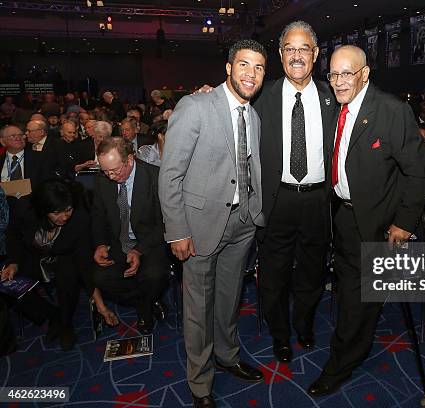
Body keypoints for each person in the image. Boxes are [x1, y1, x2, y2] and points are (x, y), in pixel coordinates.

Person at [307, 45, 425, 396]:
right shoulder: (334, 107)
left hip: (378, 223)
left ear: (365, 74)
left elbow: (418, 175)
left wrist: (404, 223)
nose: (339, 81)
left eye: (347, 73)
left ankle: (341, 363)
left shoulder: (392, 111)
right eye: (333, 74)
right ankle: (351, 343)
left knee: (359, 298)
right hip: (340, 216)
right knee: (349, 291)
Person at [159, 39, 267, 408]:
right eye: (244, 65)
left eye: (258, 68)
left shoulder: (253, 116)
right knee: (198, 310)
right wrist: (178, 230)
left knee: (229, 299)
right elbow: (169, 174)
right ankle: (200, 383)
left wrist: (254, 214)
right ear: (228, 67)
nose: (251, 74)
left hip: (242, 222)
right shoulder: (195, 106)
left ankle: (228, 355)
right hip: (199, 226)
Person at [252, 21, 336, 364]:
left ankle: (304, 325)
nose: (297, 55)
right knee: (273, 275)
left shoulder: (335, 97)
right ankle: (280, 335)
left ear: (315, 55)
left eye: (304, 49)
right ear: (280, 54)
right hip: (276, 200)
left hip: (319, 200)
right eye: (290, 48)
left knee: (313, 272)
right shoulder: (260, 97)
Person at [91, 137, 168, 336]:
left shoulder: (155, 177)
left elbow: (164, 224)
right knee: (99, 277)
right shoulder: (102, 180)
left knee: (154, 275)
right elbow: (98, 216)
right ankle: (147, 302)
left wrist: (139, 250)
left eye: (115, 170)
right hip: (118, 241)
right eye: (105, 171)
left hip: (149, 241)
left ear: (130, 160)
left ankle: (145, 309)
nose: (110, 176)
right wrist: (100, 244)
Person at [4, 179, 92, 350]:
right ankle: (53, 315)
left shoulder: (79, 217)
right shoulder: (24, 208)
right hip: (34, 256)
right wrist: (13, 261)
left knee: (68, 277)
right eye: (57, 213)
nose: (64, 217)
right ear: (44, 209)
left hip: (64, 255)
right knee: (10, 284)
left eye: (68, 210)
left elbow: (83, 257)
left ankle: (66, 324)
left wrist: (94, 293)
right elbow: (12, 234)